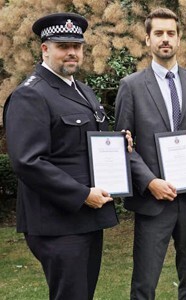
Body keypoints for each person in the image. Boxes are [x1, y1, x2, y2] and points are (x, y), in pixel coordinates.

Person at [4, 12, 132, 300]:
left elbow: (85, 145)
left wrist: (119, 144)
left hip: (87, 217)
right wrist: (82, 194)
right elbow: (28, 161)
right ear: (45, 49)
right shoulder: (31, 95)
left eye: (77, 46)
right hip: (57, 222)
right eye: (63, 46)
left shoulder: (83, 91)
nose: (72, 53)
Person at [114, 8, 186, 300]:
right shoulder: (131, 86)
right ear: (147, 39)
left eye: (170, 33)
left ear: (179, 39)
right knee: (144, 284)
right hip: (153, 201)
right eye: (158, 33)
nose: (165, 39)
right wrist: (149, 182)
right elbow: (123, 145)